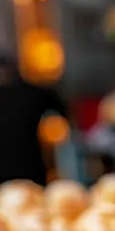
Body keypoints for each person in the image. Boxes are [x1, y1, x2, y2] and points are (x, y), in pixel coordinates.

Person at [0, 52, 67, 186]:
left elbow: (61, 107)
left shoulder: (31, 93)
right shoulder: (31, 92)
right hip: (29, 167)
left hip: (28, 166)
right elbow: (62, 107)